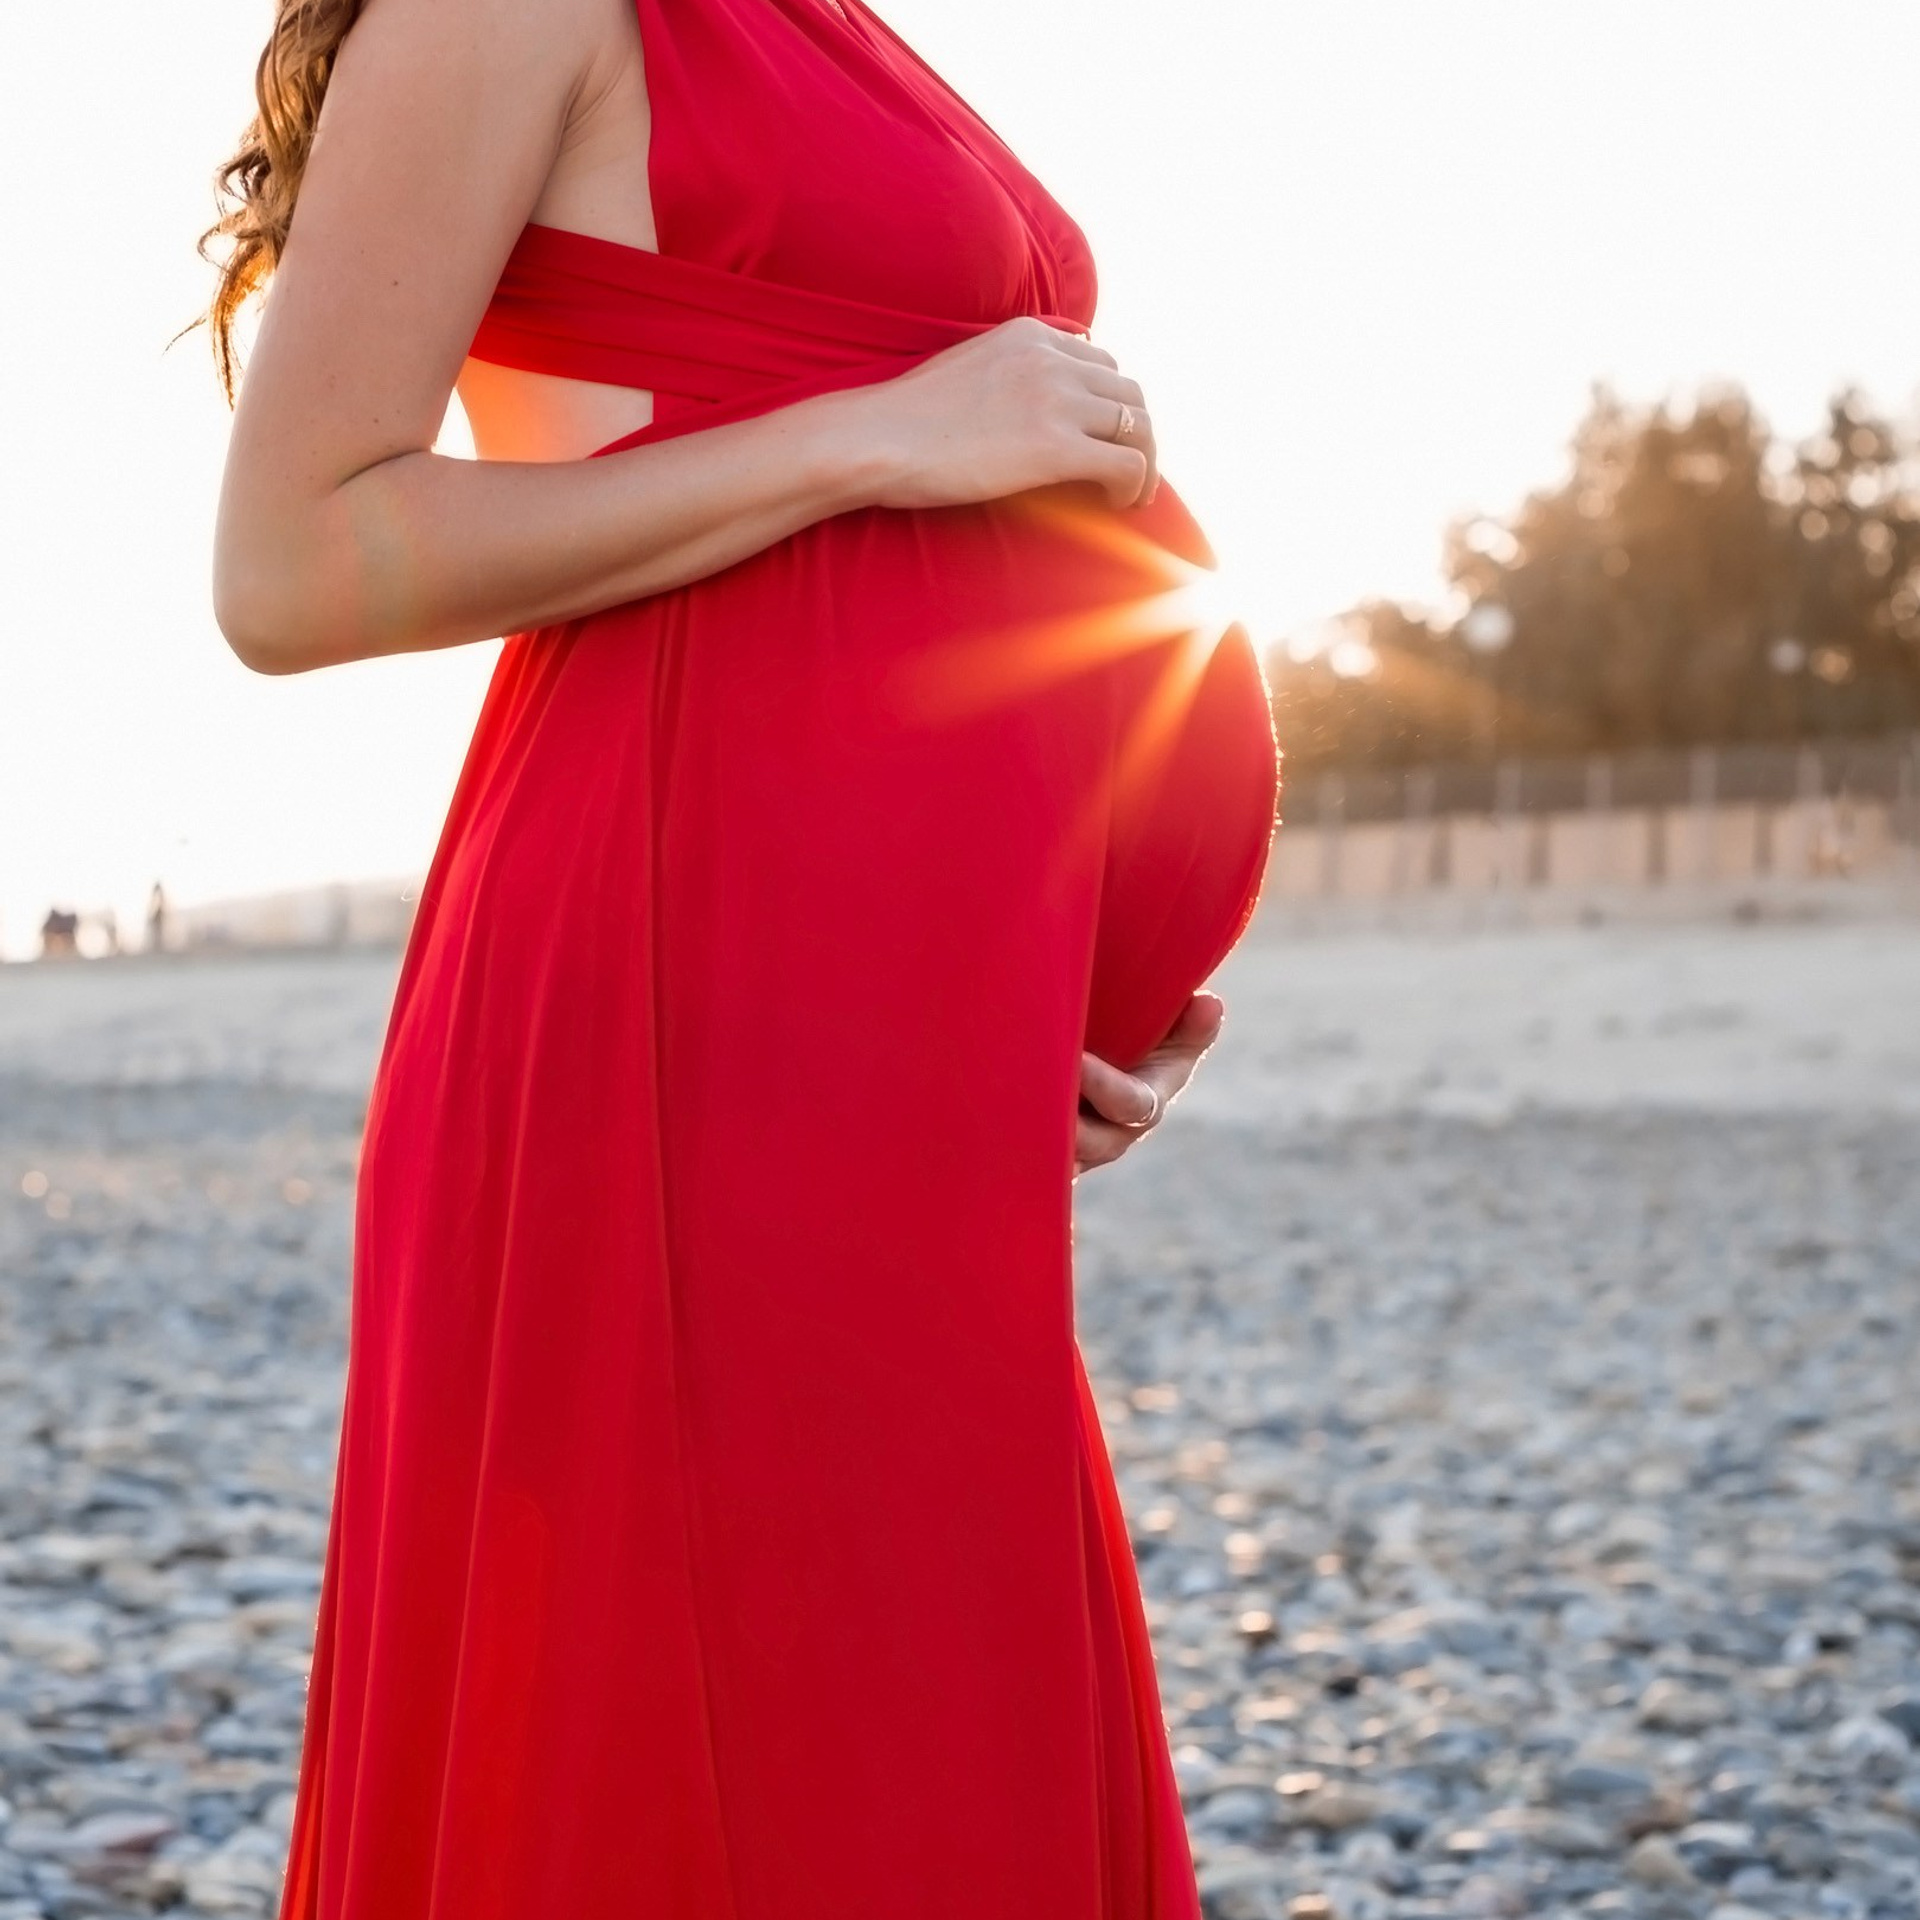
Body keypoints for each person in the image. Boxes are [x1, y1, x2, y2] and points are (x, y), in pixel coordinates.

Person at [199, 0, 1278, 1913]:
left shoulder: (821, 24)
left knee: (917, 1672)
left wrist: (1066, 970)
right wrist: (873, 437)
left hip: (901, 996)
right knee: (721, 1692)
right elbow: (287, 565)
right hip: (674, 961)